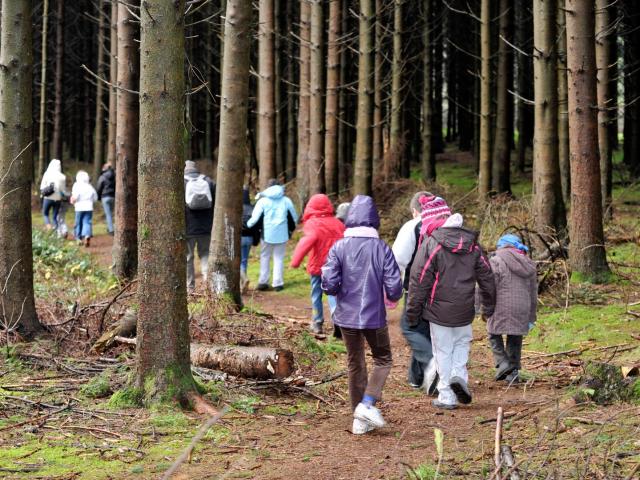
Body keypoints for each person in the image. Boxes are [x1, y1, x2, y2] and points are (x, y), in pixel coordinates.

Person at [321, 195, 403, 435]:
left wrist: (337, 288)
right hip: (373, 317)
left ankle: (359, 417)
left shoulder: (338, 247)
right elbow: (395, 287)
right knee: (383, 359)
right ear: (374, 220)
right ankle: (366, 405)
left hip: (345, 317)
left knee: (354, 362)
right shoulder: (381, 248)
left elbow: (329, 284)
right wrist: (392, 297)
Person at [406, 195, 495, 410]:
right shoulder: (472, 244)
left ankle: (446, 394)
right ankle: (459, 377)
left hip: (438, 311)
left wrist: (412, 312)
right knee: (462, 344)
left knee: (442, 351)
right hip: (465, 308)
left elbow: (419, 281)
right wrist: (489, 305)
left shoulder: (431, 244)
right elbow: (487, 277)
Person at [392, 191, 436, 391]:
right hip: (445, 288)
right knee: (426, 330)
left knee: (411, 327)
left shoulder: (413, 226)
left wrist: (392, 287)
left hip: (417, 286)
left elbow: (398, 259)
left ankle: (431, 364)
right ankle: (416, 378)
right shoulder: (449, 224)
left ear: (414, 211)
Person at [290, 194, 345, 335]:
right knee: (333, 293)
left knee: (316, 295)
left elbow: (307, 241)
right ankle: (337, 318)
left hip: (318, 267)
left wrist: (296, 261)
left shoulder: (312, 224)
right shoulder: (338, 223)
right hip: (336, 266)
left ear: (311, 207)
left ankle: (317, 322)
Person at [485, 234, 537, 384]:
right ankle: (512, 373)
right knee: (515, 337)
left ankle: (503, 363)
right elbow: (533, 292)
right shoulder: (528, 263)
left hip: (500, 306)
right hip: (522, 306)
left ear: (502, 246)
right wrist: (531, 316)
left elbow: (489, 287)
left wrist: (484, 306)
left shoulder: (496, 260)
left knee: (493, 333)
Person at [246, 179, 298, 291]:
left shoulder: (263, 201)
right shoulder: (286, 200)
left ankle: (263, 282)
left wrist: (247, 225)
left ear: (268, 188)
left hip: (267, 234)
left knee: (265, 257)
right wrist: (292, 228)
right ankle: (278, 283)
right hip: (282, 234)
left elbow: (254, 218)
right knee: (279, 258)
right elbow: (294, 217)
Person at [184, 160, 215, 292]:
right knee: (205, 254)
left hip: (188, 227)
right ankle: (208, 285)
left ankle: (190, 288)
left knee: (188, 258)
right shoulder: (209, 182)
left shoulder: (181, 182)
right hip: (206, 227)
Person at [240, 186, 260, 293]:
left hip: (238, 238)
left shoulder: (235, 208)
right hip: (249, 239)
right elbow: (256, 226)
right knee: (244, 261)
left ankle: (243, 279)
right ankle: (243, 285)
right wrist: (256, 240)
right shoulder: (253, 208)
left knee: (237, 261)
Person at [70, 171, 98, 247]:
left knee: (78, 222)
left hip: (79, 207)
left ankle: (78, 238)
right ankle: (87, 235)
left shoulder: (77, 185)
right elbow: (95, 197)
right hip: (89, 207)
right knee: (87, 222)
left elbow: (75, 196)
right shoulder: (90, 186)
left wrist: (72, 200)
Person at [40, 159, 67, 230]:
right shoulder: (62, 177)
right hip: (58, 199)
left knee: (45, 213)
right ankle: (55, 232)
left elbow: (42, 186)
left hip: (48, 198)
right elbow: (63, 190)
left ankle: (48, 226)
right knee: (55, 217)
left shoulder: (47, 174)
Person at [96, 162, 116, 235]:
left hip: (105, 197)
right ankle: (111, 227)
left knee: (108, 214)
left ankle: (111, 230)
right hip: (113, 197)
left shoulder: (103, 176)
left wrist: (98, 197)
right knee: (112, 213)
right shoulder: (115, 176)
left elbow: (99, 188)